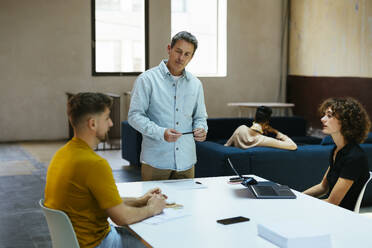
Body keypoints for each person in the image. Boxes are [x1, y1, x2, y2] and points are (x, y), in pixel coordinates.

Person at [44, 93, 167, 248]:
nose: (111, 123)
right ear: (93, 124)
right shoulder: (94, 164)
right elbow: (121, 217)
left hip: (75, 243)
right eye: (107, 117)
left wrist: (140, 201)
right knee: (158, 241)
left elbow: (103, 203)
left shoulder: (61, 155)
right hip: (99, 244)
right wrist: (152, 208)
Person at [128, 31, 208, 181]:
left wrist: (202, 129)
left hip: (187, 161)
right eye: (178, 51)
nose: (181, 58)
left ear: (192, 57)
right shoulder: (147, 79)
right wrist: (161, 132)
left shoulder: (196, 84)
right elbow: (134, 116)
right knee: (154, 204)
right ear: (169, 48)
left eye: (187, 54)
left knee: (188, 205)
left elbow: (200, 117)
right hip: (156, 162)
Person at [303, 97, 371, 211]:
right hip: (331, 212)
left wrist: (301, 204)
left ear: (345, 121)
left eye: (329, 116)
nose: (322, 119)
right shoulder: (337, 150)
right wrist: (298, 196)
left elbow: (332, 203)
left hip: (342, 217)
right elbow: (323, 187)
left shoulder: (355, 157)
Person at [224, 106, 297, 150]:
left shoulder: (241, 129)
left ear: (254, 117)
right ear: (266, 123)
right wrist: (277, 132)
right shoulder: (264, 140)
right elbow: (293, 146)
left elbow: (226, 147)